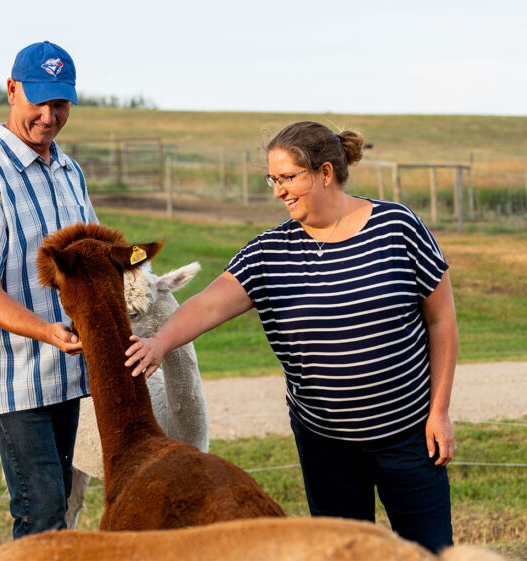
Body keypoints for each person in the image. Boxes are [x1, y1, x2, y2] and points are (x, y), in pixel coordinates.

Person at [124, 121, 458, 553]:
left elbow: (442, 321)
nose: (278, 190)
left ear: (324, 172)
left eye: (287, 178)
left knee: (431, 553)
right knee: (345, 553)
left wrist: (441, 412)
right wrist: (158, 342)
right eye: (272, 179)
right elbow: (207, 304)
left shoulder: (398, 227)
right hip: (327, 447)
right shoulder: (269, 252)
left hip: (410, 435)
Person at [0, 41, 97, 538]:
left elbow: (93, 260)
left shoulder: (68, 171)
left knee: (62, 503)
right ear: (11, 90)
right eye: (39, 102)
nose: (49, 117)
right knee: (40, 510)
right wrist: (47, 331)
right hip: (10, 373)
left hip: (65, 365)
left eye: (60, 104)